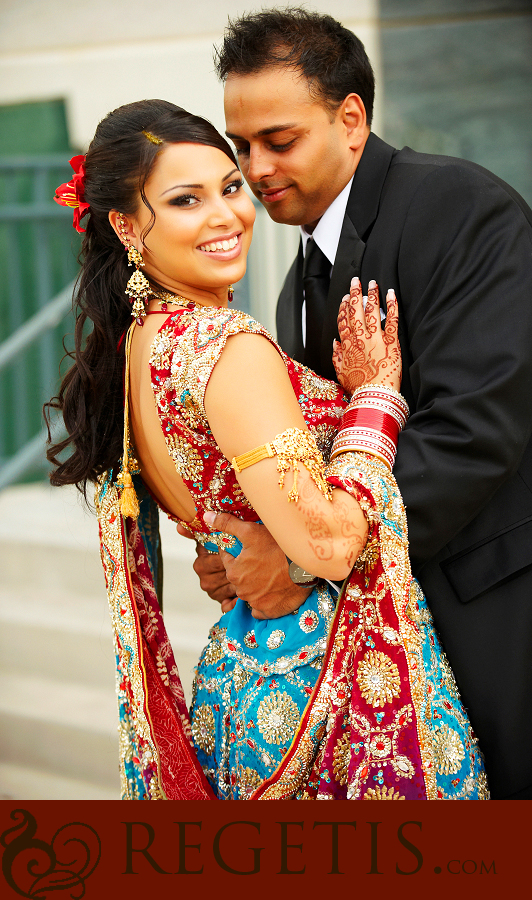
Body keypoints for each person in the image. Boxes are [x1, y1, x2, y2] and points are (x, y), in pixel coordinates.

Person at [45, 99, 487, 801]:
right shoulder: (228, 350)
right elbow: (332, 545)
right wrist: (373, 399)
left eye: (228, 187)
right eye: (185, 200)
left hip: (241, 686)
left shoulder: (135, 351)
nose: (228, 216)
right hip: (327, 694)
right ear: (126, 226)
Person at [191, 7, 532, 801]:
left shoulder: (457, 206)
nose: (258, 167)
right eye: (242, 147)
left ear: (351, 119)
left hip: (490, 604)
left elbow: (476, 426)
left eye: (280, 140)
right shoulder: (289, 285)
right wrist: (256, 543)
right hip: (387, 635)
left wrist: (308, 554)